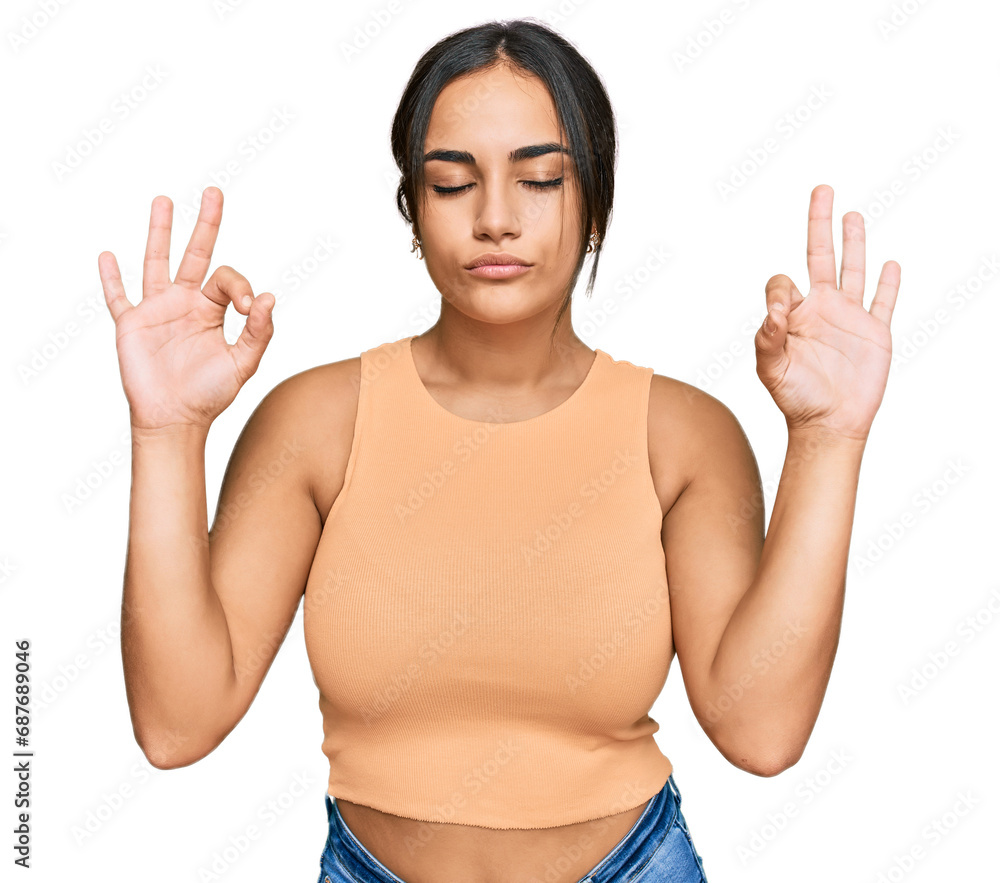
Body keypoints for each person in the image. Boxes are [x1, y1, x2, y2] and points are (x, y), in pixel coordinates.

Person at [98, 18, 899, 883]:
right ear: (413, 209)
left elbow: (763, 732)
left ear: (594, 202)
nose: (495, 219)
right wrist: (167, 432)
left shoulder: (683, 436)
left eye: (541, 179)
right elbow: (177, 725)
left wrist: (828, 437)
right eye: (452, 184)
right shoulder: (315, 423)